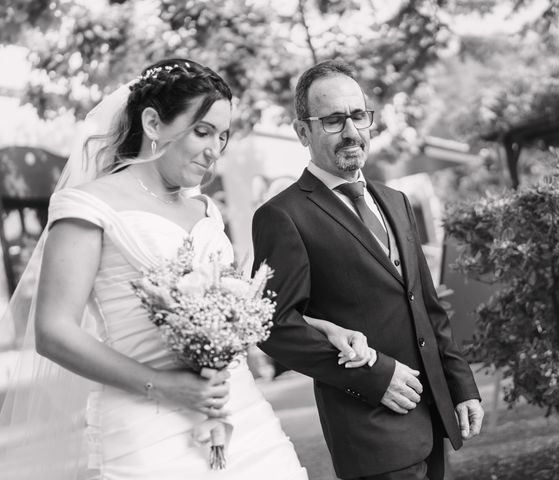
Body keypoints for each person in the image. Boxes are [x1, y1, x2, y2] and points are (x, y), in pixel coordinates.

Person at [0, 58, 372, 480]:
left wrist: (318, 326)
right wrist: (166, 386)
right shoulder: (88, 206)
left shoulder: (206, 209)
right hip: (148, 429)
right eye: (202, 131)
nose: (215, 149)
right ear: (154, 123)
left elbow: (233, 312)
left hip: (243, 419)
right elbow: (54, 332)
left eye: (223, 136)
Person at [252, 59, 484, 480]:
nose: (351, 132)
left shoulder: (395, 200)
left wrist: (460, 385)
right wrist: (376, 376)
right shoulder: (282, 216)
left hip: (433, 419)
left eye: (358, 116)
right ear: (302, 131)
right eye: (334, 120)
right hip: (370, 432)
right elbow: (272, 326)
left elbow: (426, 306)